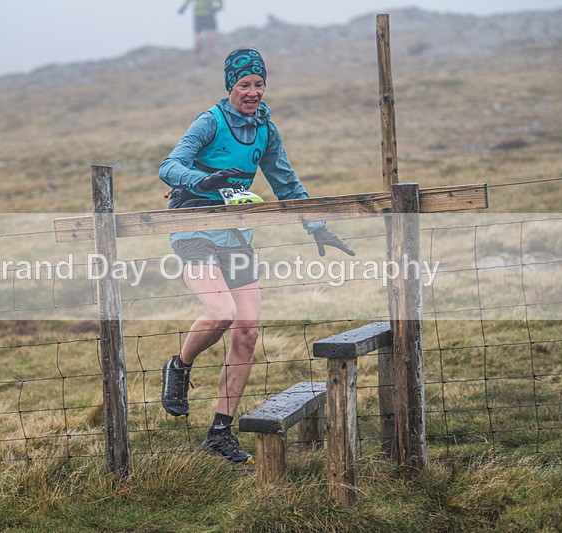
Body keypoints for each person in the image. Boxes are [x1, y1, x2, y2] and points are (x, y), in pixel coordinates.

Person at [158, 48, 355, 464]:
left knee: (246, 332)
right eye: (244, 84)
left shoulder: (266, 128)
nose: (252, 92)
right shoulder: (209, 121)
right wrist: (203, 179)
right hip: (193, 227)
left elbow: (285, 180)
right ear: (230, 85)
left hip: (235, 234)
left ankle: (219, 432)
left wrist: (316, 226)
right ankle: (179, 365)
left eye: (258, 84)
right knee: (221, 311)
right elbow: (169, 166)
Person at [178, 0, 223, 66]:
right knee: (201, 40)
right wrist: (183, 8)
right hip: (200, 15)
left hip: (207, 15)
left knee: (210, 39)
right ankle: (201, 58)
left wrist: (218, 8)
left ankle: (206, 58)